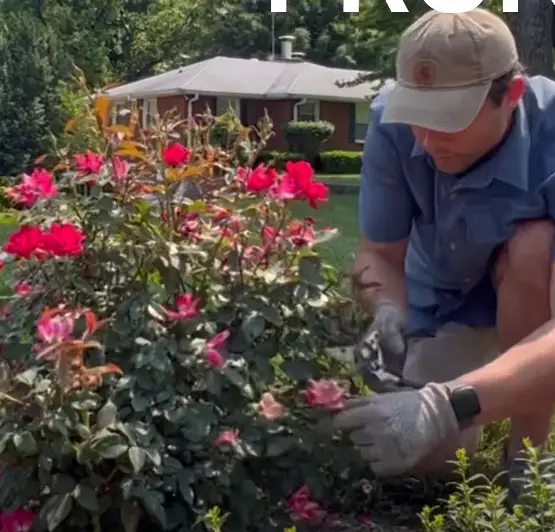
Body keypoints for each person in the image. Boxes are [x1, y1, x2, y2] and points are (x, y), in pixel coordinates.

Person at [331, 7, 555, 501]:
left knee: (535, 243)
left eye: (448, 122)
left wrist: (444, 406)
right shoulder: (391, 124)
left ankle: (529, 462)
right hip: (443, 302)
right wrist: (388, 308)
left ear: (511, 95)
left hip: (535, 296)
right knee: (425, 460)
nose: (428, 141)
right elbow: (380, 254)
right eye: (419, 118)